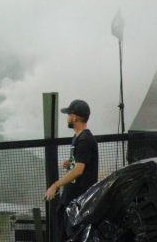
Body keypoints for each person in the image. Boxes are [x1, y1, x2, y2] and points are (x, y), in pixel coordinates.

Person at [44, 99, 99, 235]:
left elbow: (79, 170)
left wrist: (55, 185)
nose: (67, 118)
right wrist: (70, 163)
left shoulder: (85, 140)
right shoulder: (77, 137)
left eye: (68, 114)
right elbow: (79, 163)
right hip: (72, 198)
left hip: (79, 200)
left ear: (74, 117)